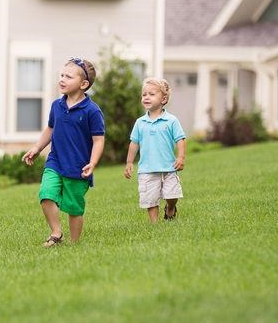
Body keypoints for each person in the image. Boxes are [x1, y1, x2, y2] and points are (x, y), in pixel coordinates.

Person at [22, 58, 105, 247]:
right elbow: (50, 129)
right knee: (46, 194)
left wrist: (92, 162)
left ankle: (74, 244)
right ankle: (56, 233)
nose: (62, 79)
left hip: (78, 167)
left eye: (68, 76)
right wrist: (37, 148)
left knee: (74, 207)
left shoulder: (92, 111)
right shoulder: (56, 106)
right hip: (55, 162)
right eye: (61, 75)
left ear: (84, 84)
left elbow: (98, 140)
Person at [123, 78, 186, 223]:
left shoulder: (171, 120)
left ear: (163, 99)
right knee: (150, 199)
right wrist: (129, 162)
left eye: (151, 94)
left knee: (172, 195)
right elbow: (134, 143)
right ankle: (154, 224)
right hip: (147, 169)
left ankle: (170, 208)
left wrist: (181, 158)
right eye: (144, 94)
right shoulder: (140, 122)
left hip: (168, 167)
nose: (146, 97)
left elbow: (180, 139)